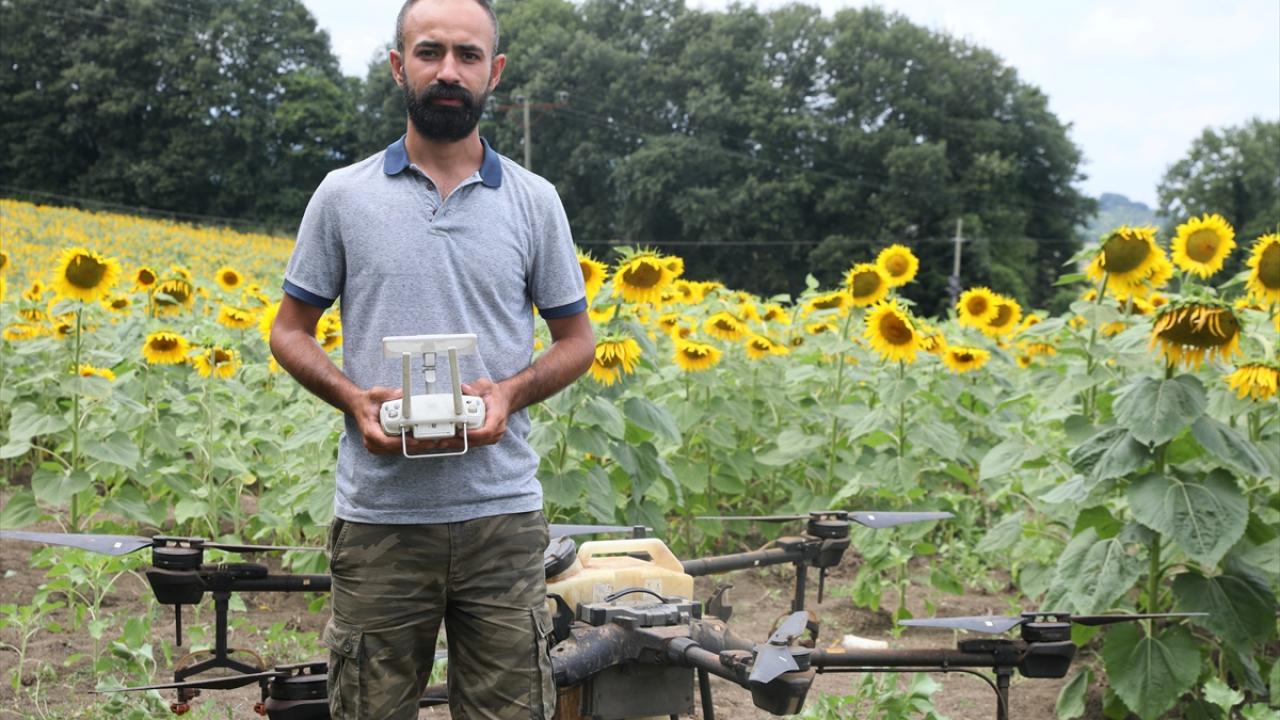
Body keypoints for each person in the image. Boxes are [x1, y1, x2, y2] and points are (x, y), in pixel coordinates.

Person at [269, 0, 594, 716]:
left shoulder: (535, 203)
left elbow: (578, 343)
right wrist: (353, 400)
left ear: (494, 72)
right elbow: (289, 330)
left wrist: (508, 393)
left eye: (468, 56)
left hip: (502, 520)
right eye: (429, 52)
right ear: (398, 65)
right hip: (381, 519)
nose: (449, 70)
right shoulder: (343, 197)